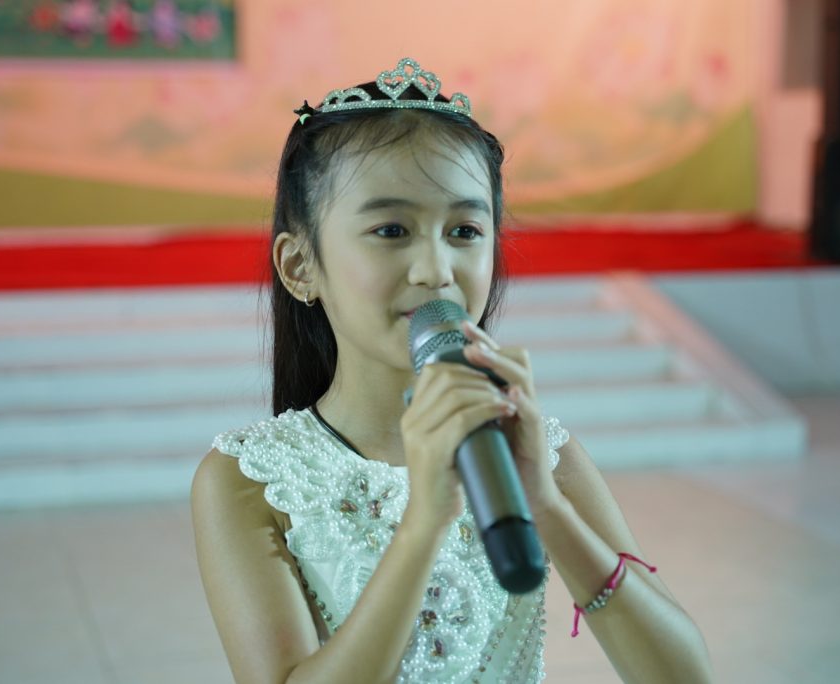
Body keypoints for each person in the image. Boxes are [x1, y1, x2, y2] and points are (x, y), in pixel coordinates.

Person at [191, 57, 713, 684]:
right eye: (392, 230)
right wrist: (422, 525)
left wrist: (546, 505)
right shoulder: (249, 479)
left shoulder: (542, 453)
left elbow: (684, 676)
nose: (436, 270)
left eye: (464, 230)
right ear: (300, 266)